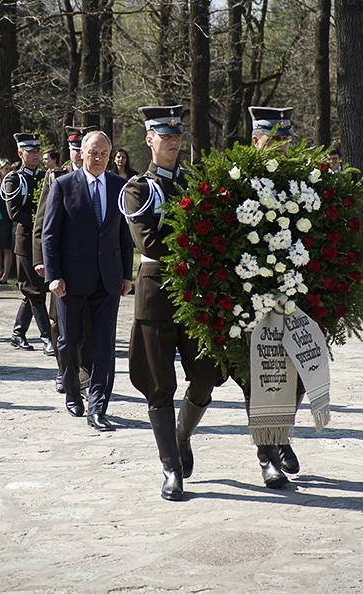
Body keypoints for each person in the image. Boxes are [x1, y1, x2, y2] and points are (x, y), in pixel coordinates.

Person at [122, 106, 223, 501]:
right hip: (156, 290)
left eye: (177, 134)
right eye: (165, 135)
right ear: (150, 140)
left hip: (195, 291)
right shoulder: (138, 189)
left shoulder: (194, 182)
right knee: (159, 383)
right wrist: (199, 245)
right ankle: (170, 468)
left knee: (206, 374)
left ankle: (181, 435)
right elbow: (150, 242)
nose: (173, 140)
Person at [42, 130, 133, 430]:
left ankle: (98, 407)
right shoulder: (64, 185)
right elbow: (50, 234)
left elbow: (124, 236)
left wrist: (125, 275)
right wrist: (54, 277)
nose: (98, 159)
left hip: (107, 280)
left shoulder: (120, 186)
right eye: (93, 153)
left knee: (104, 345)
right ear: (81, 153)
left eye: (104, 154)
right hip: (71, 281)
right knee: (69, 342)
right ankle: (72, 393)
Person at [242, 106, 304, 488]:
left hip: (294, 295)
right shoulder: (240, 181)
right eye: (273, 139)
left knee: (296, 378)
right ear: (256, 139)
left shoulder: (299, 181)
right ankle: (268, 456)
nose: (281, 147)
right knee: (260, 380)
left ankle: (280, 438)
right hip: (252, 299)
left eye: (286, 140)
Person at [33, 125, 97, 395]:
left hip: (91, 267)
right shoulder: (56, 178)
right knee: (60, 324)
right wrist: (41, 259)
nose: (79, 154)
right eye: (74, 149)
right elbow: (42, 223)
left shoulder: (103, 178)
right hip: (62, 266)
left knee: (90, 326)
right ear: (72, 150)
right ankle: (65, 373)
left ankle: (84, 376)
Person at [2, 133, 54, 355]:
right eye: (30, 151)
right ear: (20, 154)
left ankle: (18, 333)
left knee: (35, 290)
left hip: (44, 240)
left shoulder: (46, 176)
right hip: (26, 241)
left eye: (37, 151)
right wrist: (42, 221)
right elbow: (14, 213)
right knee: (35, 290)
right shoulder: (15, 179)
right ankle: (47, 339)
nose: (35, 154)